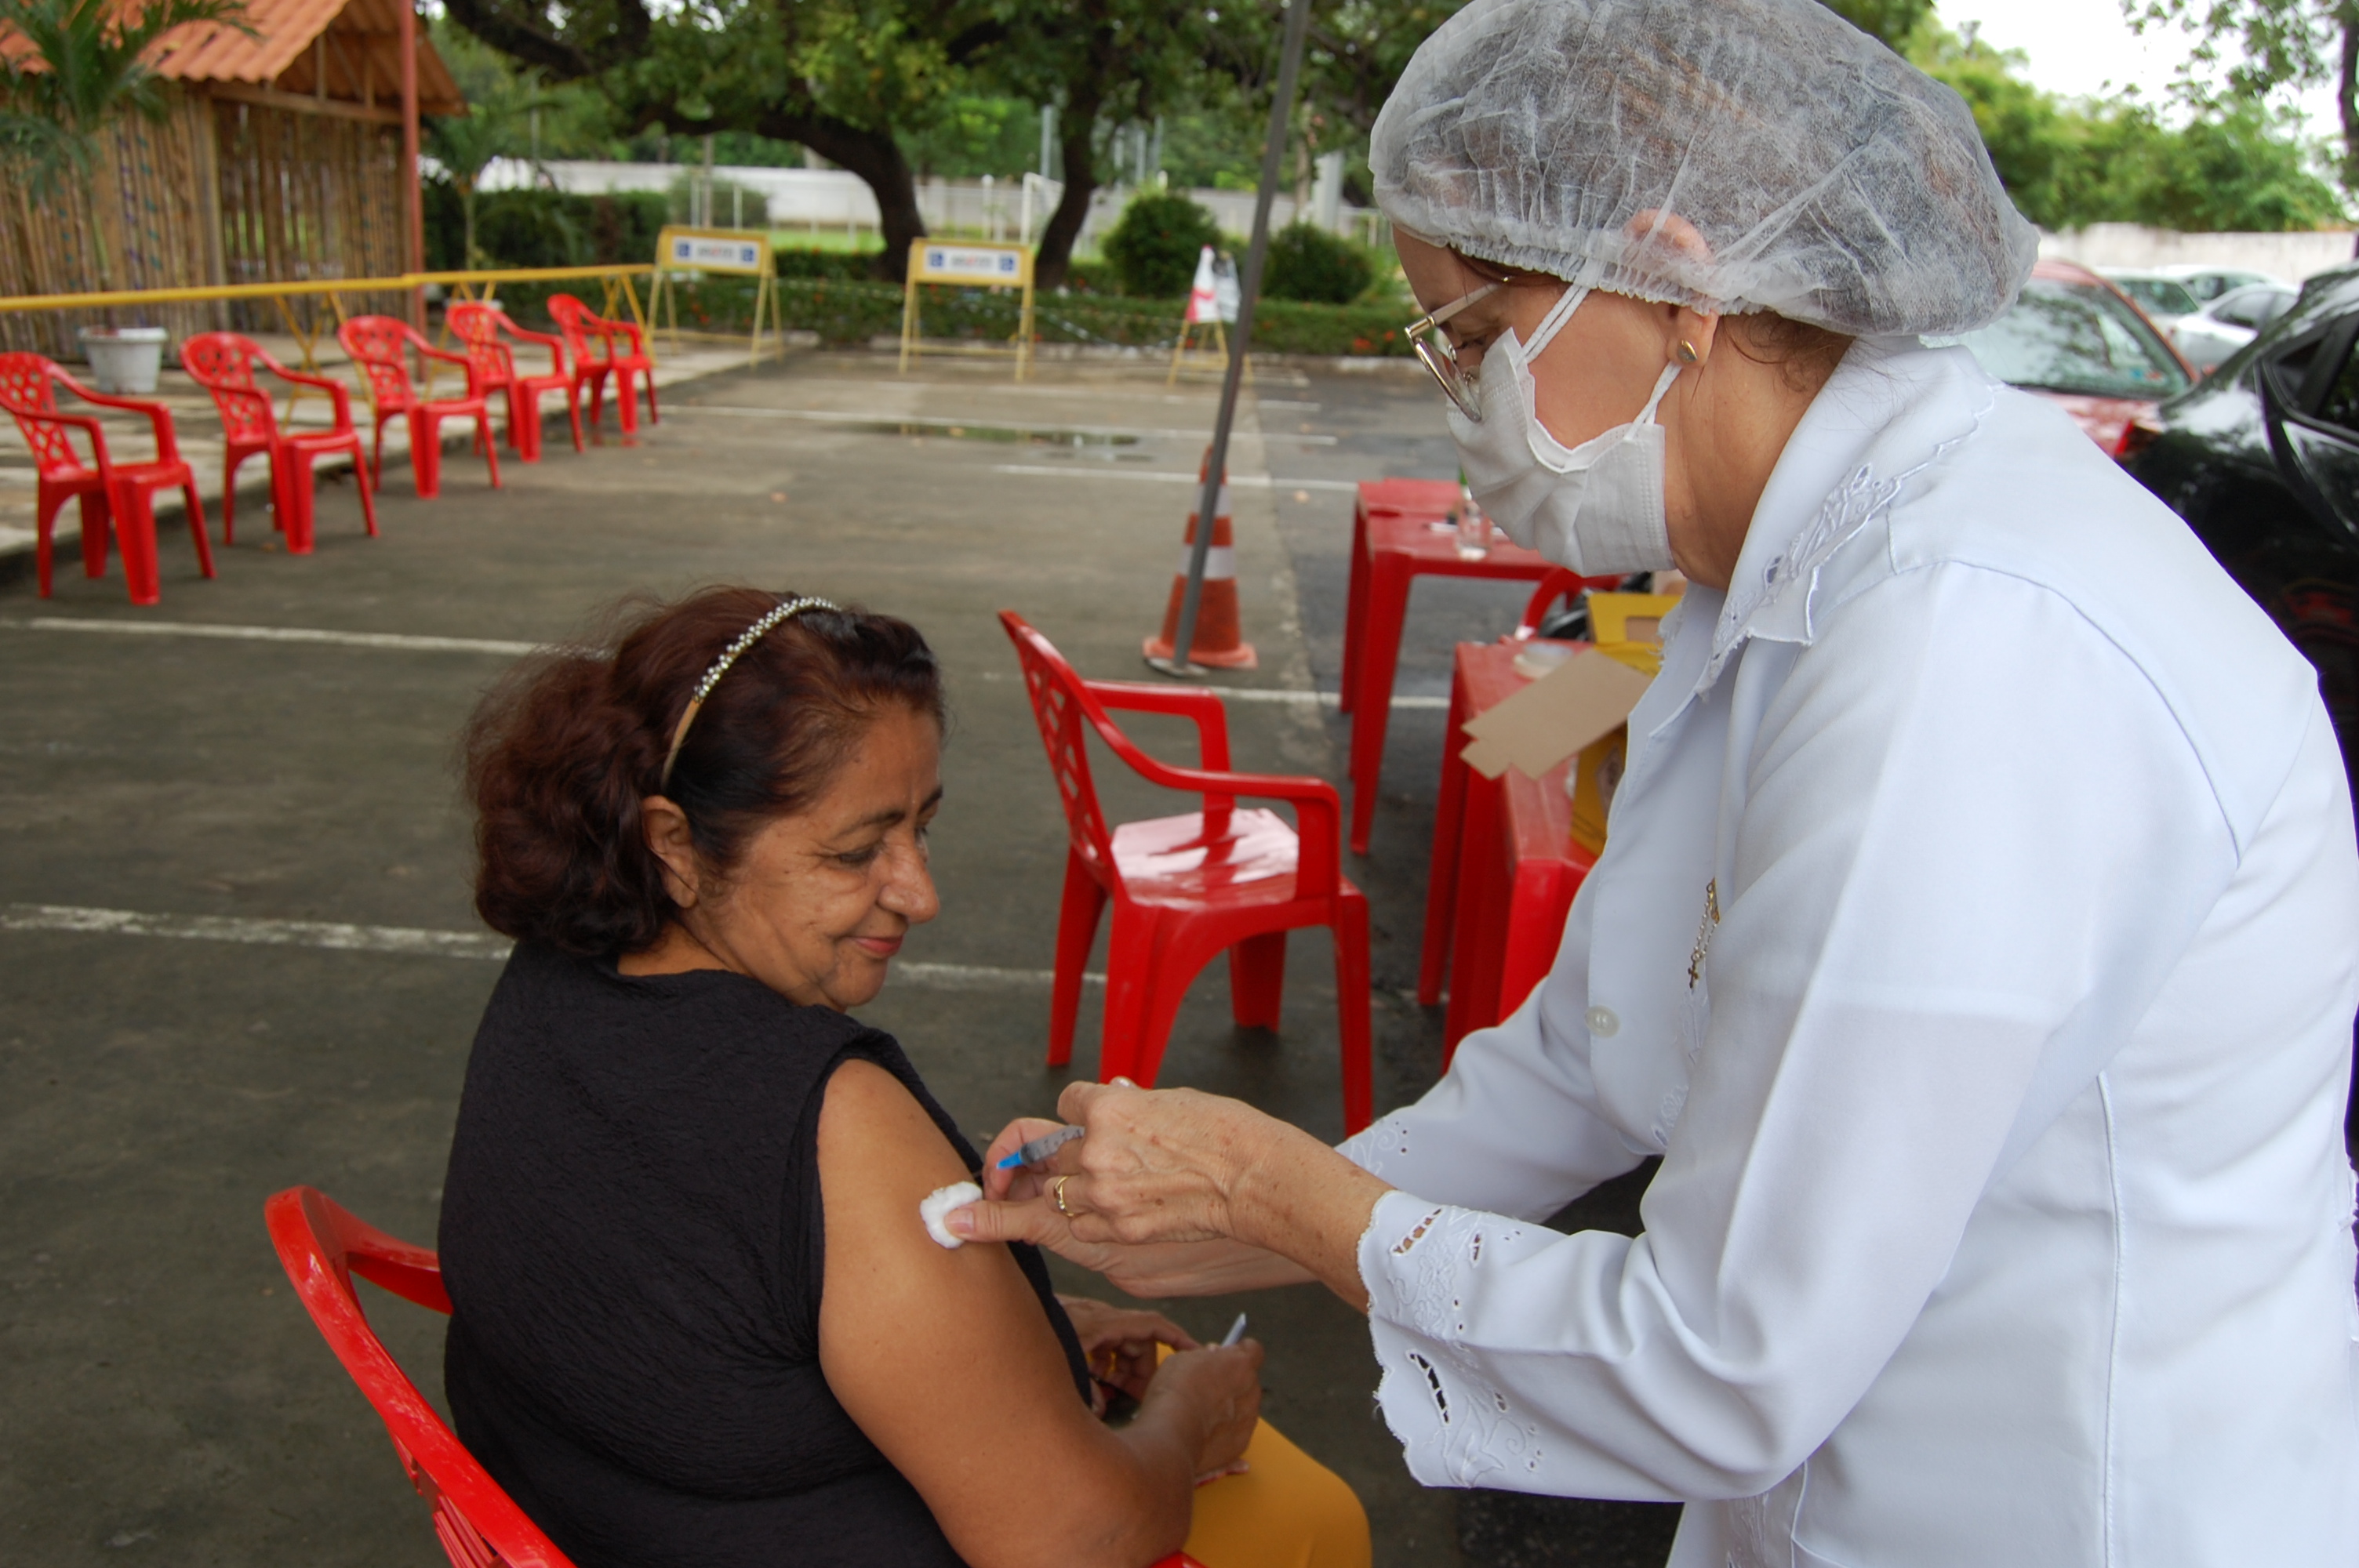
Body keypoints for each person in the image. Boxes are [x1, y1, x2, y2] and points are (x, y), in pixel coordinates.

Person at [946, 2, 2359, 1563]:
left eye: (1475, 336)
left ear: (1675, 278)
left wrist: (1289, 1202)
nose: (1464, 392)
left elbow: (1724, 1355)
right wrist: (1249, 1202)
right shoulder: (1766, 576)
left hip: (2056, 1505)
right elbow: (1610, 1035)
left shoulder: (1970, 642)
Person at [436, 587, 1369, 1568]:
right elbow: (1076, 1536)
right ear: (674, 843)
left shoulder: (557, 975)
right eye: (853, 851)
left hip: (572, 1513)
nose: (919, 892)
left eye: (921, 826)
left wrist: (1019, 1337)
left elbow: (683, 1292)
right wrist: (1188, 1418)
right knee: (1319, 1514)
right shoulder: (832, 1121)